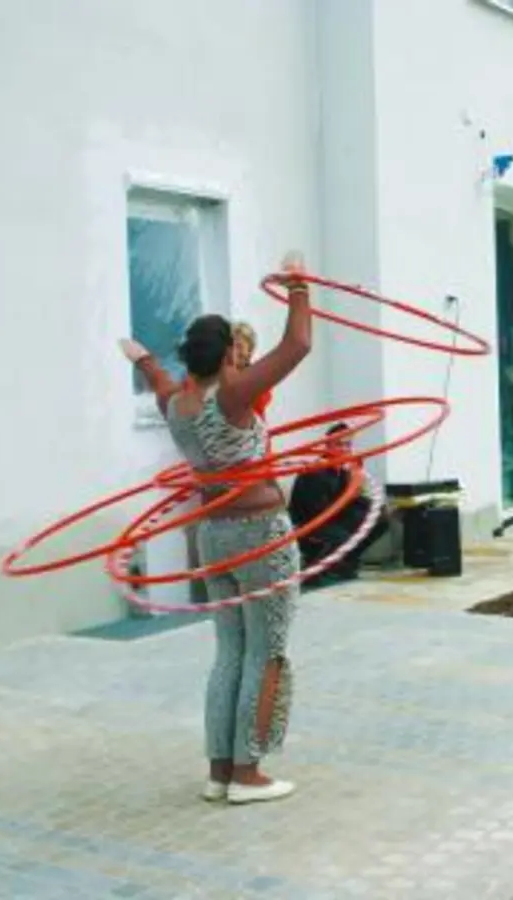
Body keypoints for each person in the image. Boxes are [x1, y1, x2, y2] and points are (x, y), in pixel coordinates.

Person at [117, 250, 312, 806]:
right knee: (266, 650)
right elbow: (297, 346)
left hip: (213, 536)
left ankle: (219, 772)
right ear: (229, 353)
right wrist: (299, 285)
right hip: (262, 535)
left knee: (229, 650)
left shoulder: (176, 403)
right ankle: (249, 774)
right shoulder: (234, 395)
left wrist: (143, 356)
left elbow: (155, 376)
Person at [288, 423, 389, 588]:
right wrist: (351, 495)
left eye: (348, 445)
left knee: (381, 518)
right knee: (344, 535)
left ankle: (345, 562)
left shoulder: (342, 470)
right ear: (327, 446)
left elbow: (348, 501)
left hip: (331, 516)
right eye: (339, 444)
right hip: (309, 523)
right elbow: (319, 512)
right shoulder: (315, 471)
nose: (344, 449)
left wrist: (371, 505)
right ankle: (313, 573)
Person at [231, 322, 273, 419]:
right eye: (231, 345)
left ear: (249, 352)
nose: (233, 351)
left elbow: (261, 401)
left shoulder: (258, 377)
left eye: (239, 346)